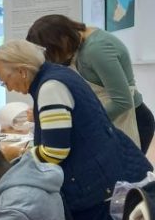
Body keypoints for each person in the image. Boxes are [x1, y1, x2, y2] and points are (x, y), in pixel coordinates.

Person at [0, 40, 151, 220]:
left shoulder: (49, 88)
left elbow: (56, 152)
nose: (8, 87)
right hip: (104, 177)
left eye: (5, 79)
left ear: (22, 70)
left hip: (88, 186)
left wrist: (19, 155)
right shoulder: (60, 74)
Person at [27, 14, 154, 151]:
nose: (55, 58)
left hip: (132, 121)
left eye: (53, 52)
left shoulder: (96, 49)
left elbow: (122, 102)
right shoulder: (81, 45)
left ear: (63, 39)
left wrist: (79, 123)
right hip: (112, 120)